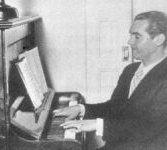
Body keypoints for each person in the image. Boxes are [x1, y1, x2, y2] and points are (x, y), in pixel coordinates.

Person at [53, 11, 167, 150]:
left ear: (159, 39)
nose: (129, 42)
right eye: (130, 35)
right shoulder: (130, 70)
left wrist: (97, 124)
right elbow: (115, 107)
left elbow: (148, 127)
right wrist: (81, 109)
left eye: (136, 37)